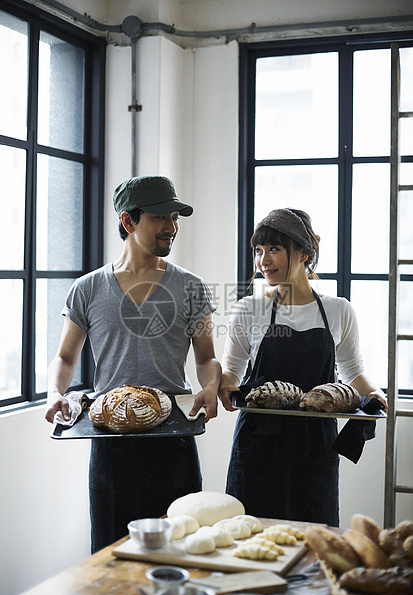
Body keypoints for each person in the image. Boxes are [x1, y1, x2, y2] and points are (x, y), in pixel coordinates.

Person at [45, 175, 221, 553]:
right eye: (160, 218)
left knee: (179, 556)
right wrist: (54, 393)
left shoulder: (191, 287)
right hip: (111, 445)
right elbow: (64, 357)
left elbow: (206, 358)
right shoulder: (87, 289)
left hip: (174, 441)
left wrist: (208, 386)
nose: (171, 228)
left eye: (175, 217)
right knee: (111, 557)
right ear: (128, 221)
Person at [218, 208, 387, 527]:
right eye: (258, 250)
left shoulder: (338, 310)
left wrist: (375, 393)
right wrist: (225, 387)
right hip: (257, 448)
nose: (263, 260)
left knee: (312, 546)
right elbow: (233, 370)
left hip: (314, 449)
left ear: (304, 253)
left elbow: (353, 373)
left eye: (274, 249)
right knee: (251, 539)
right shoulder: (249, 308)